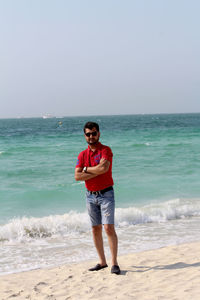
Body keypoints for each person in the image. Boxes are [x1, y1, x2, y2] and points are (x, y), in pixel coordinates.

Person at [75, 121, 120, 275]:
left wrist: (86, 169)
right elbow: (77, 176)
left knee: (108, 228)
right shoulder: (82, 155)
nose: (91, 136)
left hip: (106, 194)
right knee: (95, 229)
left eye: (94, 133)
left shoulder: (105, 150)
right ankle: (102, 262)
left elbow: (104, 168)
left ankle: (114, 263)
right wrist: (94, 170)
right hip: (90, 196)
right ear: (84, 136)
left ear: (99, 133)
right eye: (88, 134)